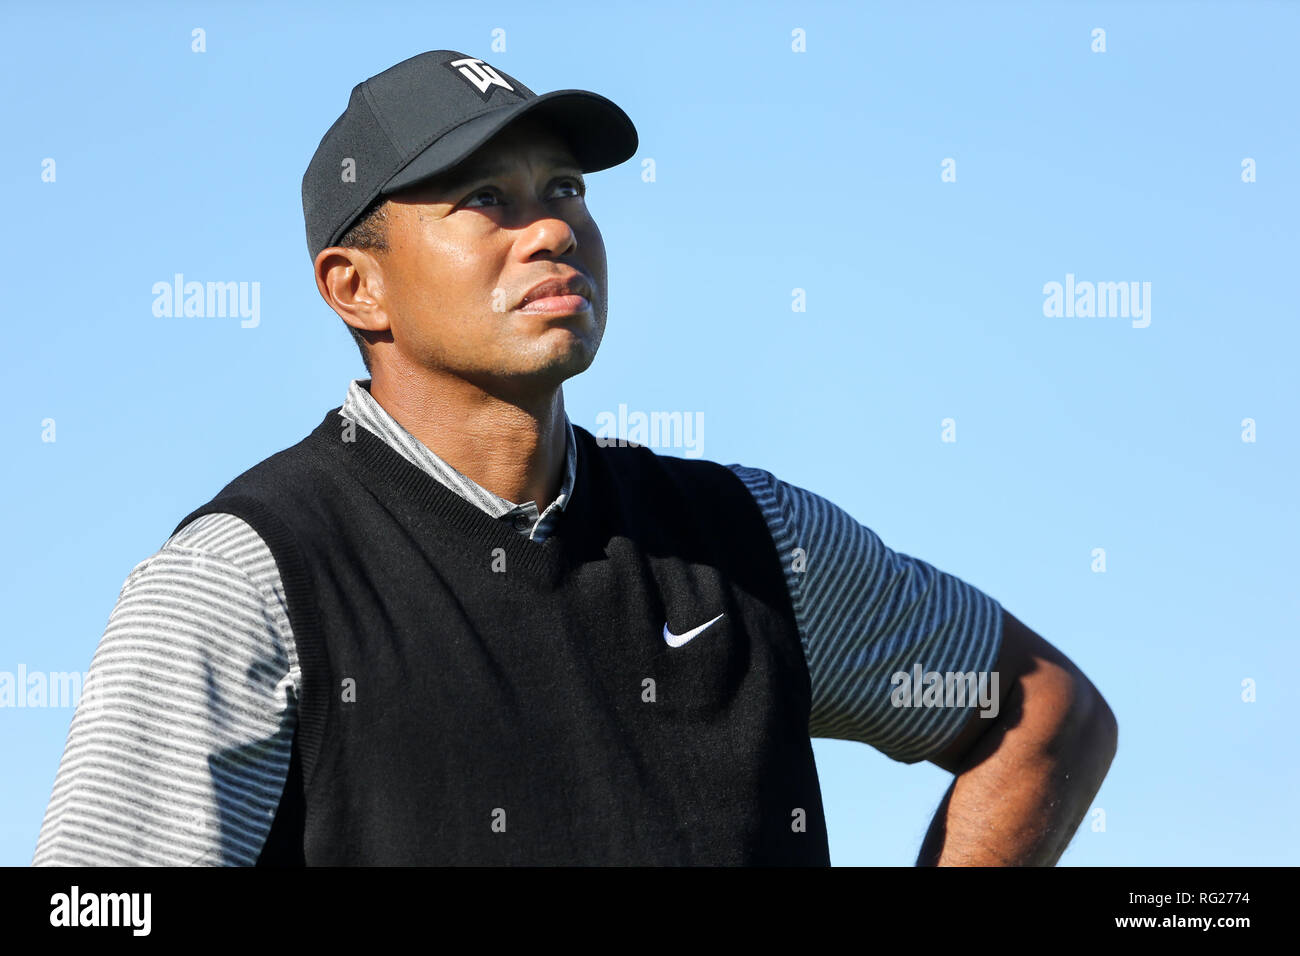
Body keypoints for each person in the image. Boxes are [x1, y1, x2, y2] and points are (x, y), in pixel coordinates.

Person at [33, 50, 1116, 866]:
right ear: (355, 286)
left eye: (566, 191)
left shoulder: (749, 541)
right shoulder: (245, 579)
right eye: (485, 199)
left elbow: (1039, 708)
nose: (551, 229)